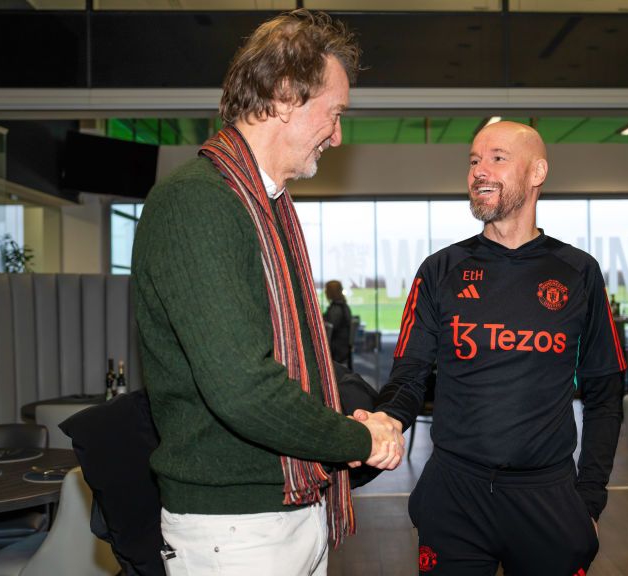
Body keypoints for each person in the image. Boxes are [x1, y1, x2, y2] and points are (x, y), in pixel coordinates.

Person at [131, 10, 404, 575]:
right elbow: (242, 389)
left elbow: (287, 364)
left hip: (287, 509)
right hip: (236, 530)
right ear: (284, 96)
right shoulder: (199, 202)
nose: (338, 134)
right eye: (334, 114)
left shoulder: (266, 205)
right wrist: (356, 437)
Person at [374, 121, 626, 575]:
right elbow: (408, 376)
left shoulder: (578, 272)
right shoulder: (440, 270)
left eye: (497, 158)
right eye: (473, 161)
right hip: (455, 495)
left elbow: (604, 394)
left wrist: (590, 500)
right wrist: (387, 418)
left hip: (548, 496)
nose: (479, 171)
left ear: (537, 173)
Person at [324, 280, 353, 368]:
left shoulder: (335, 310)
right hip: (343, 347)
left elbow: (329, 329)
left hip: (336, 350)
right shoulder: (344, 307)